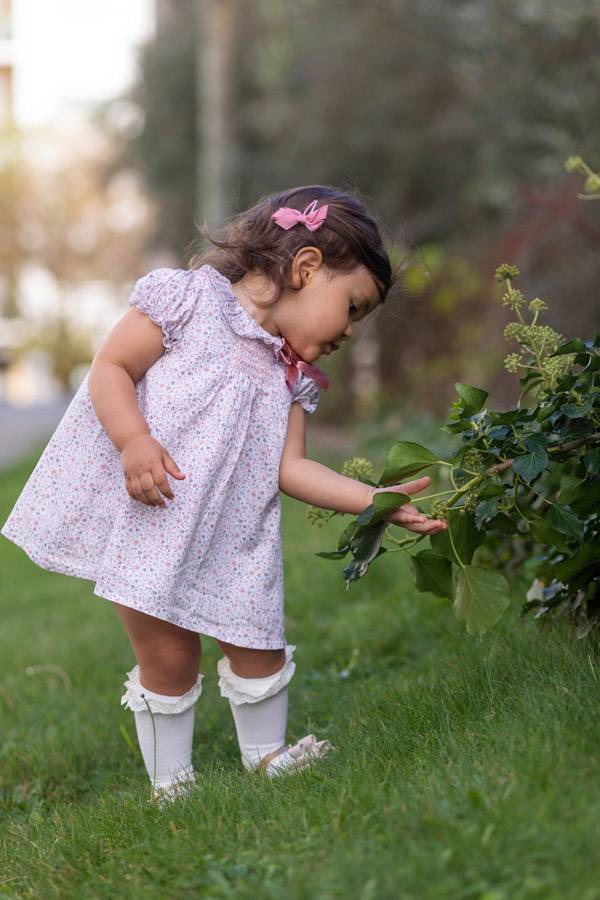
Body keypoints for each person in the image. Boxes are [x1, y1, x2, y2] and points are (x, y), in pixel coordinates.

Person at [0, 185, 448, 806]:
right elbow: (111, 368)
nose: (349, 330)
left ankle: (267, 757)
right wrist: (134, 440)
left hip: (237, 539)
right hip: (155, 521)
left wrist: (374, 498)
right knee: (169, 654)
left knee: (259, 642)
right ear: (307, 267)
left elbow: (292, 468)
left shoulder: (291, 374)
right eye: (351, 306)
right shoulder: (188, 301)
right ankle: (171, 784)